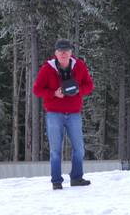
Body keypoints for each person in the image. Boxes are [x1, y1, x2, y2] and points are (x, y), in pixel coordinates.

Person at [33, 38, 94, 190]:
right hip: (54, 114)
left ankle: (76, 177)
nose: (63, 54)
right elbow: (37, 90)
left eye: (66, 51)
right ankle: (56, 181)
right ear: (56, 53)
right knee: (55, 150)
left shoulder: (79, 65)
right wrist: (53, 93)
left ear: (70, 53)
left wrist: (79, 89)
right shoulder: (47, 68)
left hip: (74, 113)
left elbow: (89, 85)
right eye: (60, 51)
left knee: (79, 148)